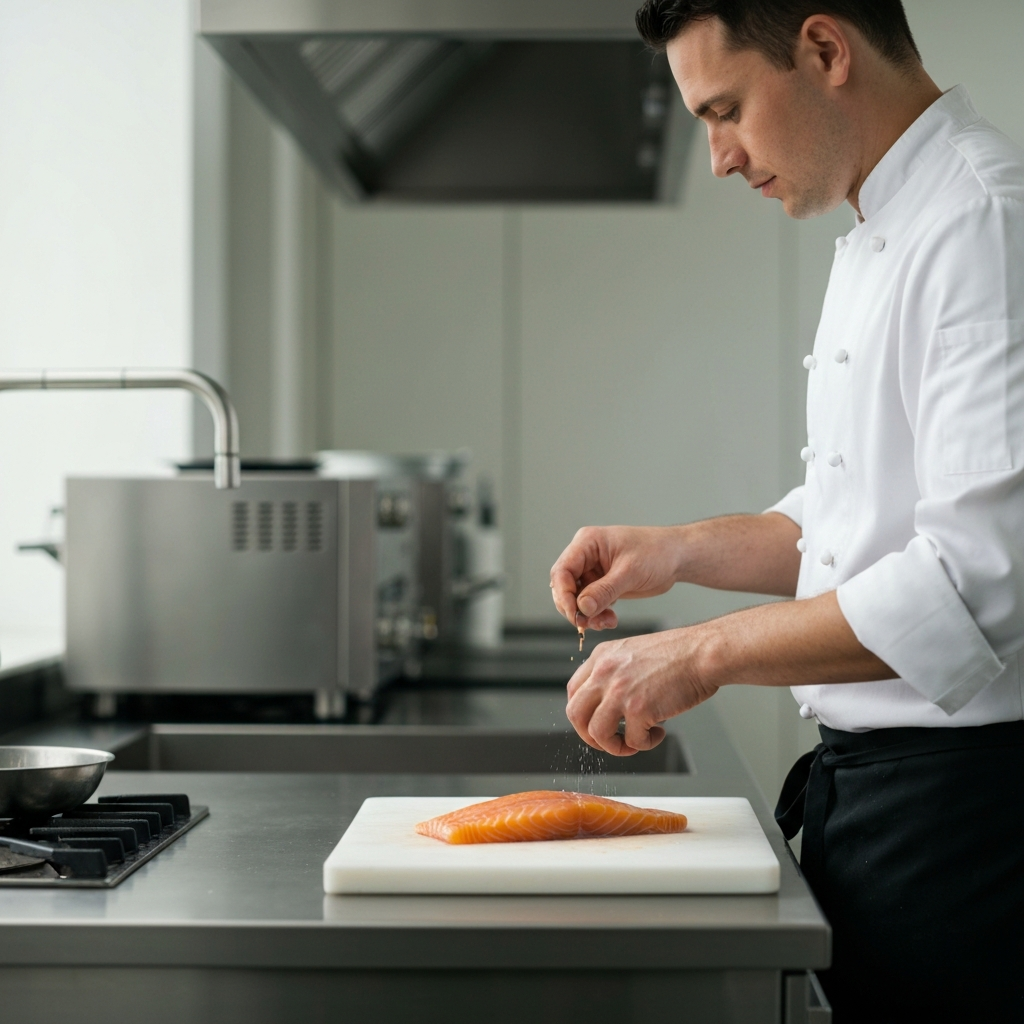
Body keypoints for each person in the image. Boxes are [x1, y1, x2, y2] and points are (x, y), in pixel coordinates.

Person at [548, 1, 1024, 1020]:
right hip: (887, 805)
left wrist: (699, 652)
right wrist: (673, 551)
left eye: (725, 110)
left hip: (971, 822)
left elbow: (973, 580)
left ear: (822, 48)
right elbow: (862, 524)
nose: (719, 158)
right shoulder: (886, 220)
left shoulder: (982, 223)